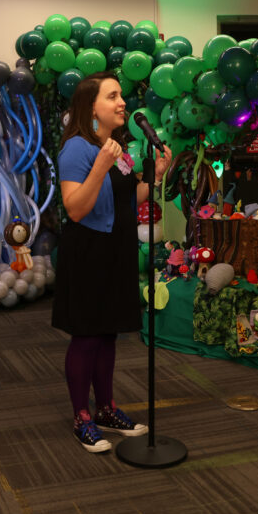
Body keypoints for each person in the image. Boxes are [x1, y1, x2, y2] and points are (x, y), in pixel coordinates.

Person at [52, 71, 173, 453]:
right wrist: (101, 166)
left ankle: (106, 409)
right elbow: (75, 208)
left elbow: (126, 199)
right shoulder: (77, 148)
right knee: (87, 336)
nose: (122, 103)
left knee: (108, 334)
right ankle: (81, 417)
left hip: (116, 250)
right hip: (88, 253)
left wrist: (152, 178)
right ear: (92, 107)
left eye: (121, 95)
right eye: (112, 96)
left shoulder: (115, 146)